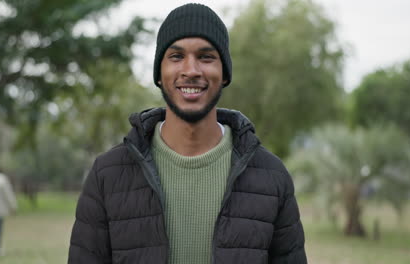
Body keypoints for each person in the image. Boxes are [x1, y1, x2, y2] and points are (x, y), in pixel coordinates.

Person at [68, 3, 307, 264]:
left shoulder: (271, 177)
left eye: (206, 57)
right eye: (176, 56)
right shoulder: (108, 174)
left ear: (224, 73)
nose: (191, 70)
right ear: (159, 74)